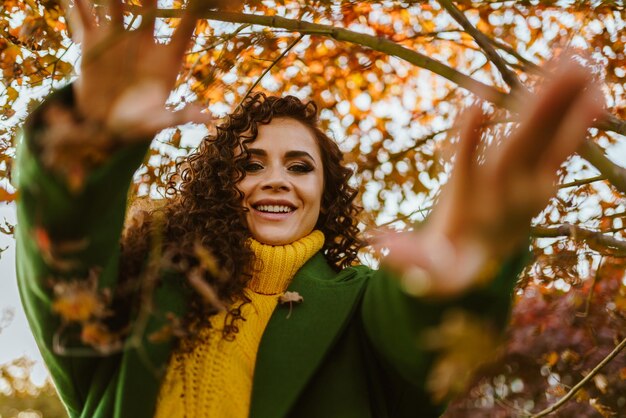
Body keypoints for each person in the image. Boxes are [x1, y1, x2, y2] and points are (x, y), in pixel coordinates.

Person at [13, 1, 605, 418]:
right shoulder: (140, 293)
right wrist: (85, 147)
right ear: (222, 184)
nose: (277, 181)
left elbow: (417, 329)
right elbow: (62, 259)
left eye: (300, 166)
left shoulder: (361, 310)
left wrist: (456, 275)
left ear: (326, 194)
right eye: (250, 164)